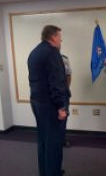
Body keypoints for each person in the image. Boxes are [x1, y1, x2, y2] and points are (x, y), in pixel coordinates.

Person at [28, 25, 70, 176]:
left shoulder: (35, 52)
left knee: (43, 140)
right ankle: (53, 172)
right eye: (59, 37)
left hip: (37, 102)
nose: (61, 40)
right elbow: (56, 82)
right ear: (53, 37)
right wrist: (61, 107)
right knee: (54, 142)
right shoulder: (52, 53)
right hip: (51, 105)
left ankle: (45, 171)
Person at [61, 54, 72, 147]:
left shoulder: (64, 59)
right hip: (50, 94)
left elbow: (68, 75)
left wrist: (66, 89)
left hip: (63, 93)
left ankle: (62, 140)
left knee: (63, 117)